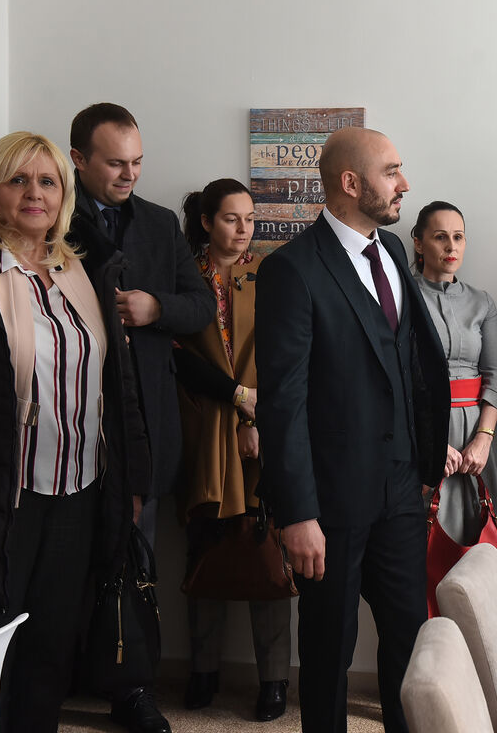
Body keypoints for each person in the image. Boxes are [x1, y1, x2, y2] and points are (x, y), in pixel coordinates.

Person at [0, 132, 150, 732]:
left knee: (49, 651)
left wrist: (131, 482)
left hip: (79, 491)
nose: (35, 193)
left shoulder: (84, 268)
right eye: (18, 180)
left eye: (47, 181)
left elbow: (119, 388)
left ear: (64, 194)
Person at [255, 127, 449, 733]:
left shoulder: (390, 250)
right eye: (391, 172)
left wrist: (423, 463)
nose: (404, 183)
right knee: (328, 649)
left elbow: (408, 365)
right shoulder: (290, 270)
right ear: (349, 183)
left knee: (409, 641)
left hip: (401, 492)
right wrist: (297, 514)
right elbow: (283, 402)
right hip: (330, 503)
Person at [70, 102, 214, 733]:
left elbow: (200, 305)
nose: (129, 174)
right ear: (78, 159)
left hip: (145, 426)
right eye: (115, 164)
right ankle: (59, 675)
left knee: (137, 558)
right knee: (61, 561)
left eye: (137, 163)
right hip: (68, 422)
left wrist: (157, 308)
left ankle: (132, 688)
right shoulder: (49, 215)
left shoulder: (158, 223)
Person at [174, 178, 291, 722]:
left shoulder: (269, 275)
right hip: (200, 433)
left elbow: (280, 353)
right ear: (206, 221)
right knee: (205, 547)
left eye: (250, 218)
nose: (244, 229)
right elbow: (176, 356)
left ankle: (274, 680)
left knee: (265, 548)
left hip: (262, 431)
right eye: (230, 218)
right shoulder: (184, 277)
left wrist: (253, 417)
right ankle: (203, 670)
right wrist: (235, 402)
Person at [410, 201, 497, 544]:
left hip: (480, 435)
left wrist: (483, 440)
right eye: (440, 237)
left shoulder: (482, 301)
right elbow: (398, 378)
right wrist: (430, 445)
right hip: (424, 432)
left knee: (483, 547)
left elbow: (496, 376)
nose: (451, 246)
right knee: (423, 543)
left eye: (458, 237)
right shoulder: (402, 298)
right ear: (418, 243)